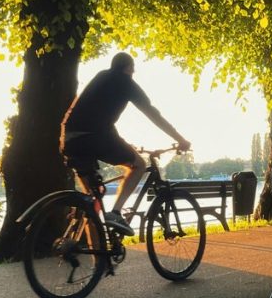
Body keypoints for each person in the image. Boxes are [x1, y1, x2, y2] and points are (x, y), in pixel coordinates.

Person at [60, 52, 191, 232]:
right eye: (133, 70)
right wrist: (179, 139)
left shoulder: (100, 77)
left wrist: (126, 144)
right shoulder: (126, 82)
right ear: (129, 68)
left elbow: (96, 115)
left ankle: (100, 258)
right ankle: (116, 212)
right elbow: (153, 114)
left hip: (70, 139)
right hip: (95, 137)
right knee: (139, 164)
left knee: (93, 201)